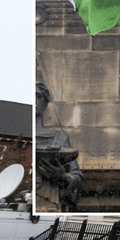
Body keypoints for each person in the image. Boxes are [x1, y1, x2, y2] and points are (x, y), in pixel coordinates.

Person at [34, 82, 85, 212]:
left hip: (46, 203)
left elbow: (77, 177)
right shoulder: (14, 135)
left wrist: (62, 176)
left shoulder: (59, 139)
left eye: (38, 96)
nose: (34, 100)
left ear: (45, 104)